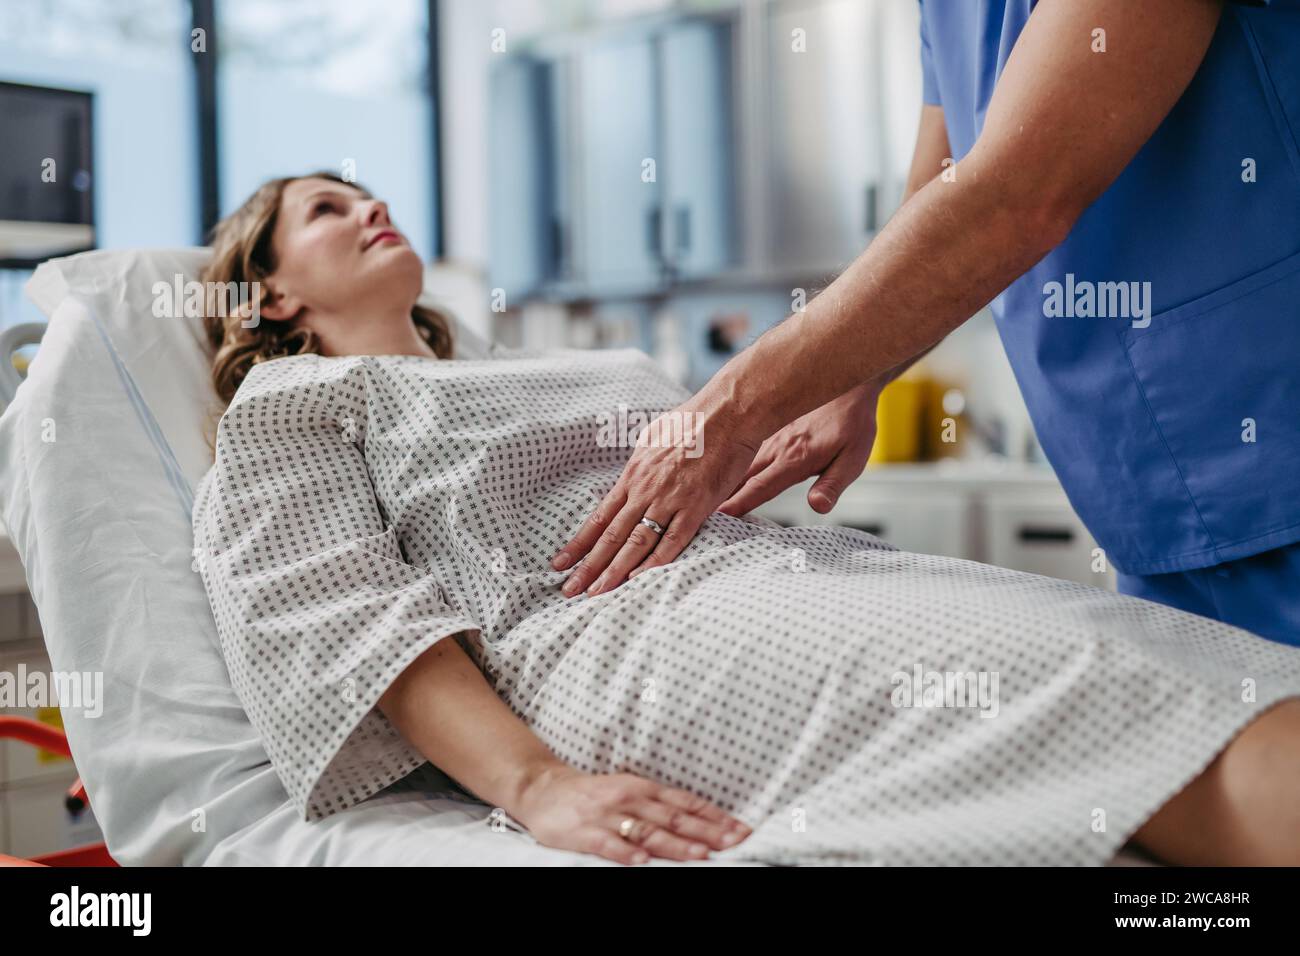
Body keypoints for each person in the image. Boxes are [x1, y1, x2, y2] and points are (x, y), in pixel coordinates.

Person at [192, 171, 1300, 866]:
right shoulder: (296, 405)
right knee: (1081, 681)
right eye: (326, 211)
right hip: (615, 635)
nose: (370, 207)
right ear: (273, 297)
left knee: (1130, 643)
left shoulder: (533, 372)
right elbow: (343, 617)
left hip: (779, 573)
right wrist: (536, 786)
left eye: (363, 192)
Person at [554, 0, 1300, 646]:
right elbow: (941, 190)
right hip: (1149, 492)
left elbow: (1015, 194)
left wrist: (734, 406)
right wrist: (852, 378)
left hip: (1265, 436)